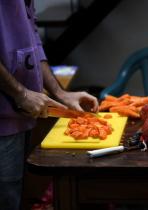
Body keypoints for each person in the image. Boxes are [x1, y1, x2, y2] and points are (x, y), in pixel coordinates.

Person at [0, 1, 99, 209]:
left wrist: (60, 93)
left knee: (17, 195)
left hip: (24, 115)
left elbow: (33, 39)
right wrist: (21, 93)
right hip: (3, 121)